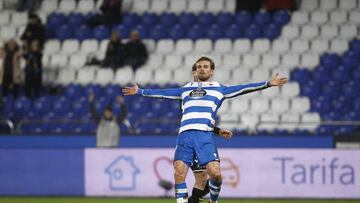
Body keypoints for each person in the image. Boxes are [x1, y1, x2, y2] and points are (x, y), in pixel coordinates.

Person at [122, 56, 287, 203]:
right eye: (199, 66)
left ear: (212, 71)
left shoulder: (219, 89)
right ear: (195, 71)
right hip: (185, 137)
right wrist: (141, 91)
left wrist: (267, 84)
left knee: (215, 174)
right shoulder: (185, 89)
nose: (202, 69)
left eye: (205, 66)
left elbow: (243, 88)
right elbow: (163, 93)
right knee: (180, 175)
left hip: (204, 137)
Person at [188, 63, 233, 203]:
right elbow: (194, 121)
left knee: (214, 177)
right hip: (191, 139)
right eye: (195, 71)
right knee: (201, 180)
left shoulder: (211, 92)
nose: (198, 73)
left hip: (204, 139)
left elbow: (205, 121)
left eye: (200, 70)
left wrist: (217, 130)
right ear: (193, 74)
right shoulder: (187, 94)